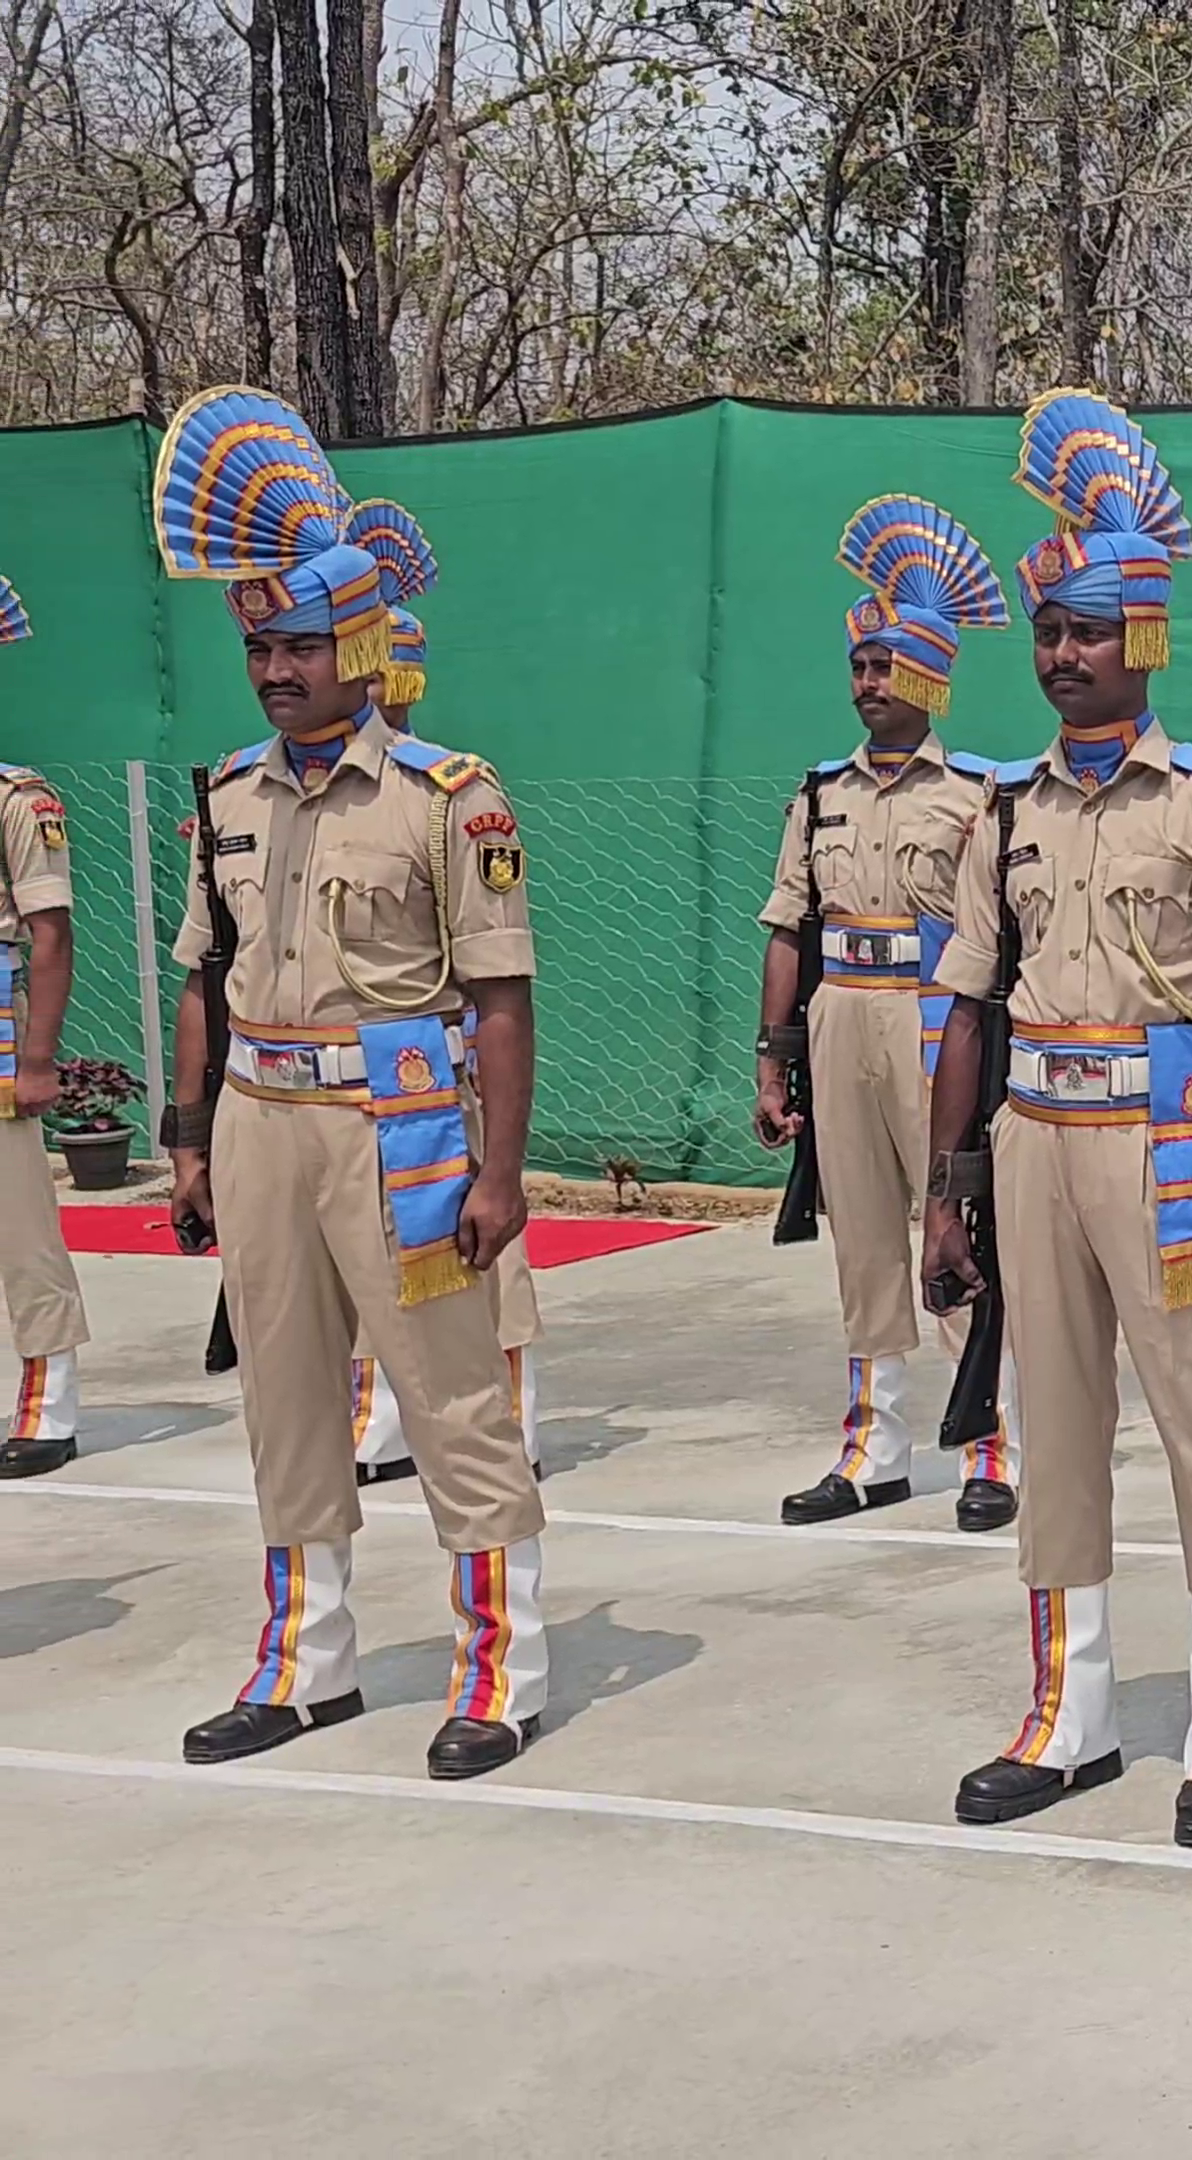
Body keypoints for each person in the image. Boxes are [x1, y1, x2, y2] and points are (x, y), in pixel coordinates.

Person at [152, 388, 552, 1779]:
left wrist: (501, 1175)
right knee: (285, 1396)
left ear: (365, 646)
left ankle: (500, 1670)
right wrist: (191, 1142)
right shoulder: (229, 798)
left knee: (447, 1398)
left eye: (303, 643)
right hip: (262, 1121)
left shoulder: (451, 795)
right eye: (259, 643)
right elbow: (202, 977)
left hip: (402, 1124)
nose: (276, 667)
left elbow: (499, 996)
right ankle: (304, 1662)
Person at [925, 391, 1192, 1850]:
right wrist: (948, 1191)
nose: (1064, 653)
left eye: (1088, 628)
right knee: (1054, 1428)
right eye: (1050, 630)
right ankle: (1068, 1715)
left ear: (1138, 635)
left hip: (1173, 1148)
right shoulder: (1004, 810)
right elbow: (968, 1001)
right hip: (1032, 1141)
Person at [757, 496, 1022, 1534]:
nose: (867, 683)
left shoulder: (975, 795)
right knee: (862, 1241)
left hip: (936, 1031)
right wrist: (772, 1059)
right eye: (859, 666)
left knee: (960, 1235)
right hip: (843, 1029)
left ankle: (986, 1443)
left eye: (885, 666)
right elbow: (790, 927)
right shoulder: (819, 795)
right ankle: (875, 1445)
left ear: (927, 672)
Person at [337, 502, 546, 1491]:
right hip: (351, 1072)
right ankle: (385, 1409)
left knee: (477, 1247)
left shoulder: (450, 794)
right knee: (374, 1252)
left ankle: (513, 1409)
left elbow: (491, 967)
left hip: (440, 1063)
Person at [0, 570, 90, 1482]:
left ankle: (49, 1402)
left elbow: (50, 933)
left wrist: (39, 1060)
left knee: (17, 1226)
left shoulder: (17, 798)